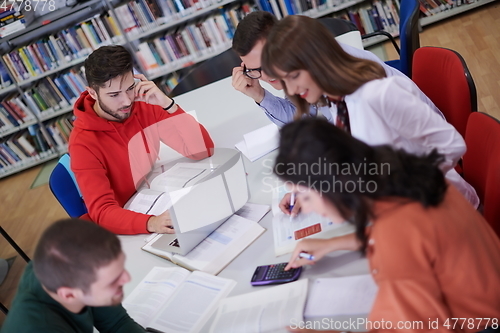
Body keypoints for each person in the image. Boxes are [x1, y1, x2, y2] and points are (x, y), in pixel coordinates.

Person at [274, 119, 500, 333]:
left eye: (305, 197)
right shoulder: (399, 173)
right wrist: (331, 244)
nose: (308, 208)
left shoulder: (396, 236)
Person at [261, 15, 479, 211]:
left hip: (440, 210)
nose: (290, 90)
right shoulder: (338, 102)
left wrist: (398, 192)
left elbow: (452, 145)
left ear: (318, 60)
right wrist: (313, 191)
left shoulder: (377, 95)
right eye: (284, 80)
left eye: (294, 76)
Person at [69, 45, 214, 235]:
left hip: (153, 195)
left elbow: (202, 150)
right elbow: (102, 211)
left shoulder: (142, 103)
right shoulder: (82, 143)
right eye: (114, 95)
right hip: (125, 221)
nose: (127, 101)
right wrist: (151, 223)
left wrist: (168, 105)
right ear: (93, 93)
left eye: (130, 88)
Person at [231, 11, 443, 127]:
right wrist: (259, 95)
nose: (264, 76)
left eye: (266, 63)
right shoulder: (305, 69)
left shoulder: (355, 92)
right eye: (252, 70)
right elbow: (302, 116)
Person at [1, 219, 145, 333]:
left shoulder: (71, 273)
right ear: (69, 295)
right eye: (111, 281)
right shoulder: (39, 327)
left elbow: (117, 323)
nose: (126, 279)